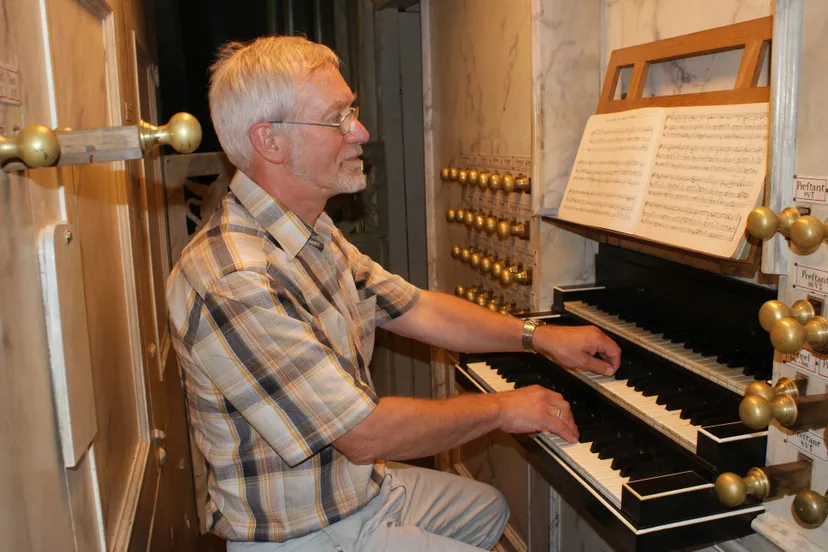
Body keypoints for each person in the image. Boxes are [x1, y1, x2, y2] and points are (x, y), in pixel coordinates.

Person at [166, 36, 620, 552]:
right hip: (305, 532)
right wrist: (505, 408)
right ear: (270, 141)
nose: (359, 131)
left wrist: (539, 336)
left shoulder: (311, 232)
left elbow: (417, 308)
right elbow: (363, 434)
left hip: (358, 489)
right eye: (336, 117)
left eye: (351, 111)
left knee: (489, 508)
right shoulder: (235, 279)